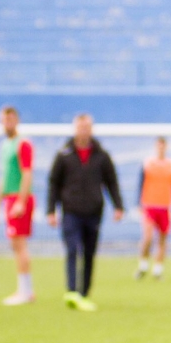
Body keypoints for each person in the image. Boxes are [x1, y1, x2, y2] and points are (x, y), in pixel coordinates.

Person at [46, 114, 123, 311]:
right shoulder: (64, 154)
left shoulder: (101, 156)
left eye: (87, 127)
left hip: (94, 211)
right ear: (75, 129)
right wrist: (51, 210)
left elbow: (111, 182)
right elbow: (54, 183)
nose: (83, 130)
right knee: (72, 249)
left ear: (91, 129)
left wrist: (118, 206)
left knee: (89, 253)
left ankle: (84, 293)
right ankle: (71, 291)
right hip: (71, 211)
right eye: (80, 127)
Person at [0, 106, 35, 305]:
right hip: (9, 198)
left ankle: (25, 291)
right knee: (15, 244)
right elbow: (3, 177)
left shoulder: (22, 144)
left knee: (20, 244)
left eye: (10, 119)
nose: (7, 123)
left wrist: (21, 201)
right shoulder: (5, 145)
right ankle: (24, 289)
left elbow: (27, 173)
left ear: (17, 120)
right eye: (4, 119)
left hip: (19, 197)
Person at [135, 136, 171, 280]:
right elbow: (141, 183)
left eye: (163, 146)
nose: (161, 148)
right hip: (149, 205)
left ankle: (158, 270)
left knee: (162, 239)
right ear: (156, 147)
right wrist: (138, 203)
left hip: (165, 206)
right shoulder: (148, 163)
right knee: (147, 237)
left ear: (166, 147)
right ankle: (143, 265)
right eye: (159, 145)